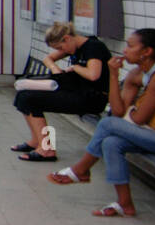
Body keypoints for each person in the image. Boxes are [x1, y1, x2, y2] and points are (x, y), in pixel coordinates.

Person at [47, 29, 155, 217]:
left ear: (147, 52)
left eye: (131, 46)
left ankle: (81, 170)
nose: (125, 50)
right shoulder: (138, 74)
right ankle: (125, 204)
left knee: (107, 124)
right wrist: (112, 74)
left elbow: (138, 119)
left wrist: (131, 112)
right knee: (111, 142)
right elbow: (119, 111)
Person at [11, 21, 110, 161]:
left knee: (30, 99)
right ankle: (37, 140)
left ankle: (47, 150)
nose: (63, 51)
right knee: (23, 95)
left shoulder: (93, 47)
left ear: (67, 38)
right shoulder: (75, 45)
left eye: (60, 47)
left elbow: (94, 75)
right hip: (77, 92)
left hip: (92, 98)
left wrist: (75, 68)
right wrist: (56, 70)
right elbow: (48, 59)